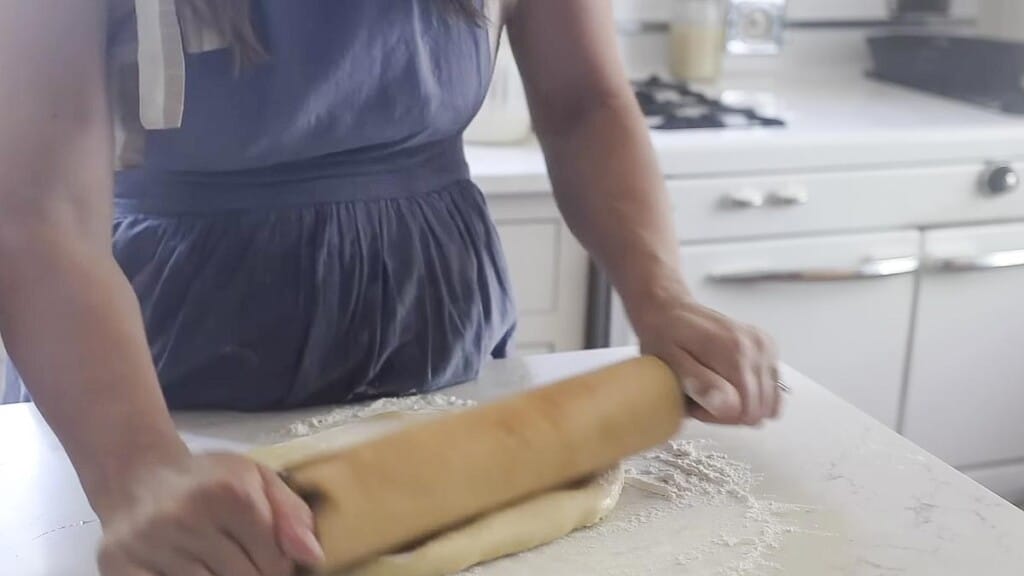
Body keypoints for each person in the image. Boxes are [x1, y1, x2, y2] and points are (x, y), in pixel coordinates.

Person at [0, 1, 781, 574]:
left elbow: (585, 105)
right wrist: (137, 470)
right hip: (152, 357)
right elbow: (37, 213)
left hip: (432, 316)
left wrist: (661, 294)